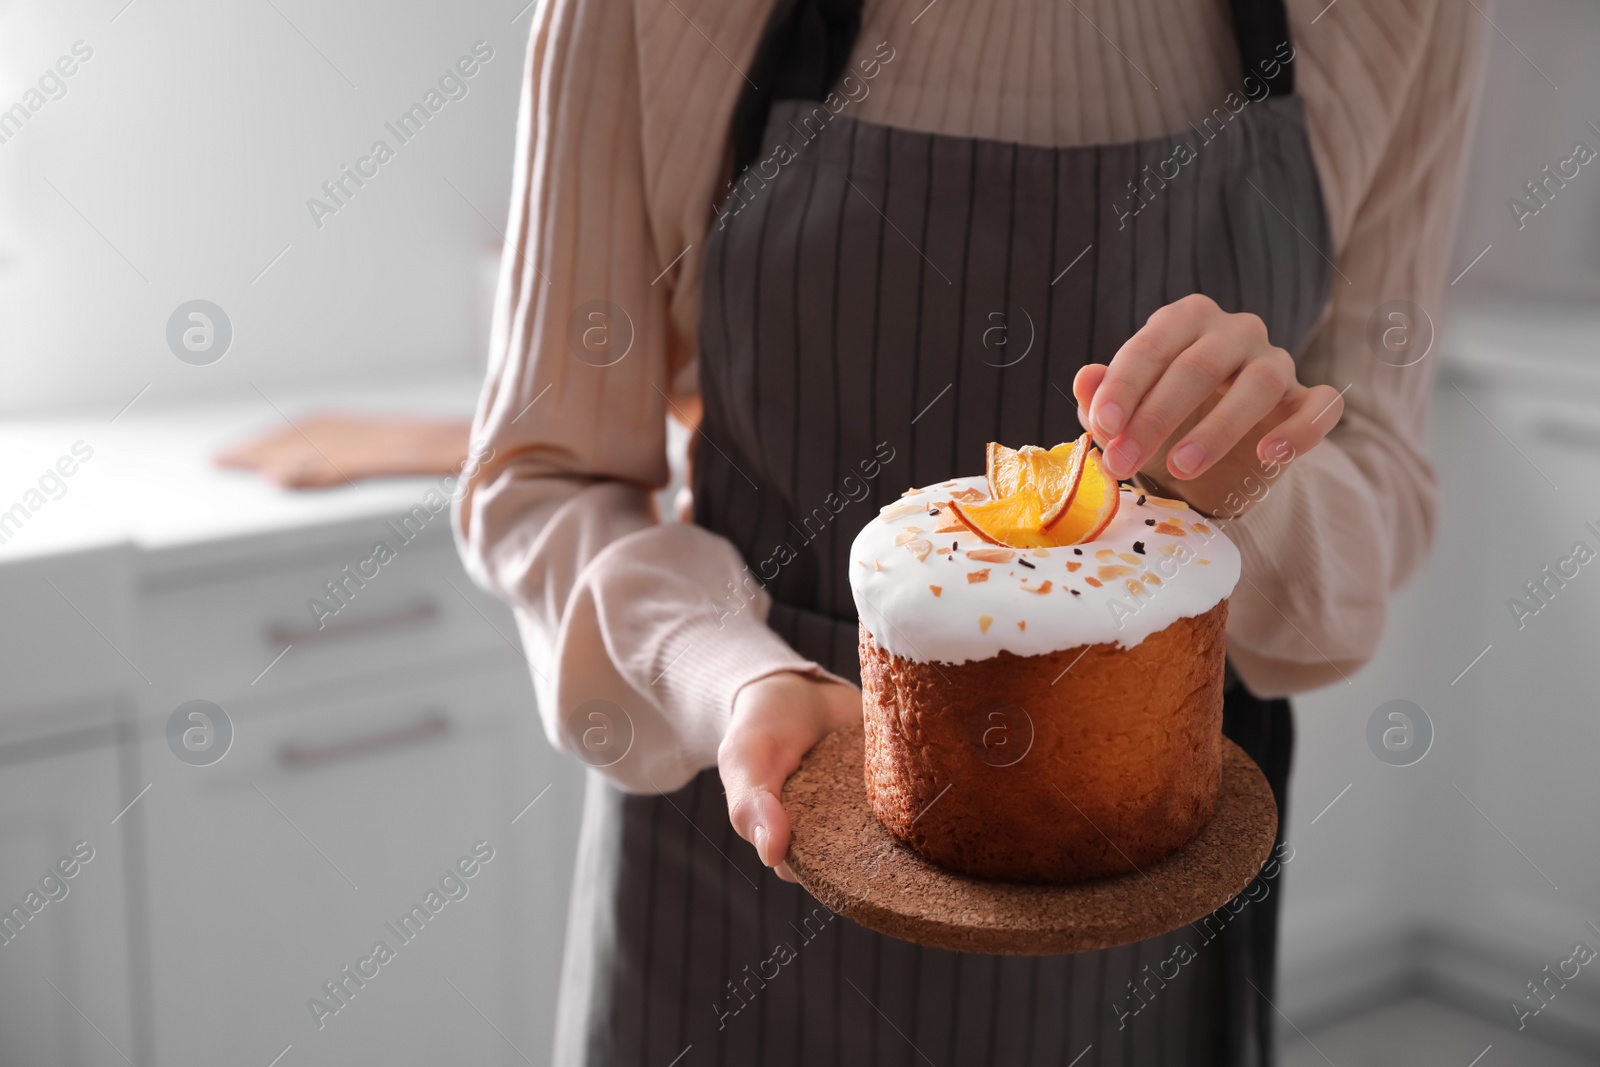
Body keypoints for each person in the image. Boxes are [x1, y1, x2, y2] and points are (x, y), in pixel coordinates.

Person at [454, 0, 1486, 1062]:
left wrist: (1245, 490)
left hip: (1138, 908)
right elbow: (541, 478)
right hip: (744, 860)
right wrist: (729, 676)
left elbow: (1382, 488)